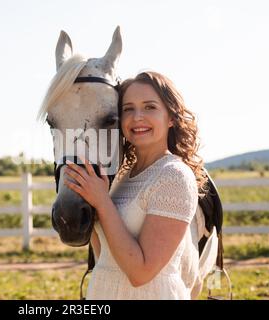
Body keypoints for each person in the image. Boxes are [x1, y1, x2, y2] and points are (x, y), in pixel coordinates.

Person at [63, 71, 208, 299]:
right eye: (128, 109)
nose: (137, 117)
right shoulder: (119, 178)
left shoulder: (174, 176)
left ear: (171, 117)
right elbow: (106, 258)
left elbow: (141, 273)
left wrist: (102, 202)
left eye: (149, 107)